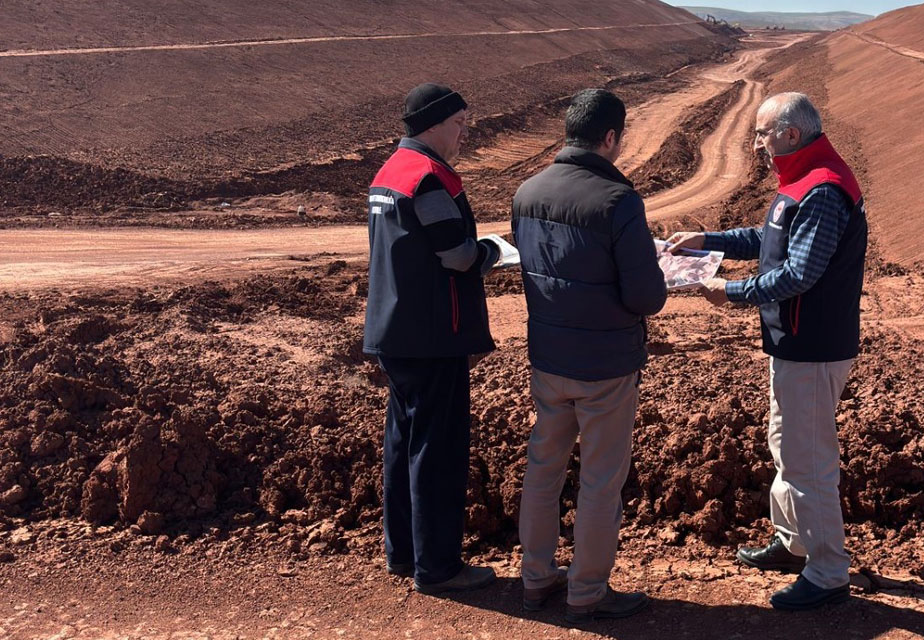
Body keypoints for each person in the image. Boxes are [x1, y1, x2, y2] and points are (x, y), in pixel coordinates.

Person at [667, 92, 868, 611]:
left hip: (814, 346)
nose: (756, 143)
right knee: (787, 445)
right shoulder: (803, 179)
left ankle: (826, 573)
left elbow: (800, 274)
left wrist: (730, 293)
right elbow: (768, 236)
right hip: (794, 344)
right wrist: (707, 241)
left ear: (790, 135)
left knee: (809, 462)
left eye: (761, 133)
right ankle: (794, 543)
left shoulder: (823, 189)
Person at [511, 88, 667, 623]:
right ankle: (588, 593)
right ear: (609, 137)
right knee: (600, 481)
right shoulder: (617, 201)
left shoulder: (526, 192)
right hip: (605, 367)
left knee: (543, 468)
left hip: (548, 359)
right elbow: (646, 296)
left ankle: (536, 581)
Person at [363, 83, 503, 594]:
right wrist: (491, 254)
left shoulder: (388, 172)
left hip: (393, 332)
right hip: (432, 335)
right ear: (433, 123)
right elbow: (456, 254)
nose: (466, 131)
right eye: (460, 122)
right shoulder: (427, 177)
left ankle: (403, 553)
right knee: (437, 452)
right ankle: (439, 567)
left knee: (402, 445)